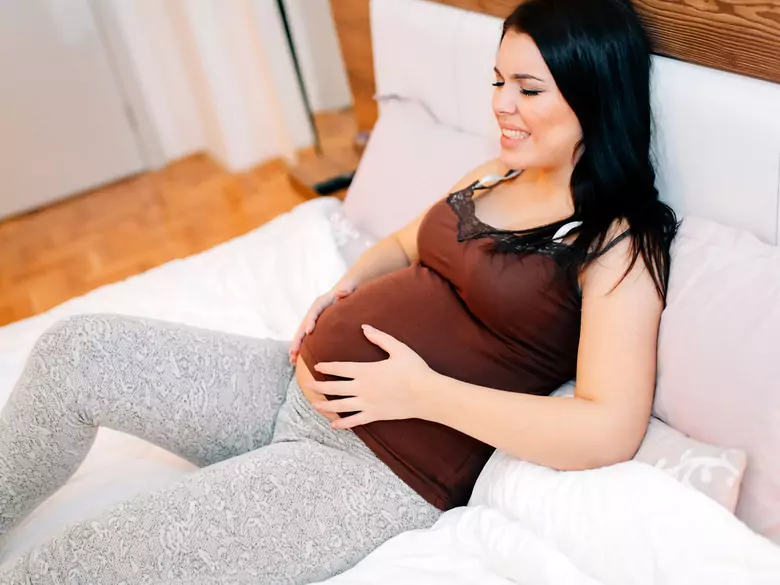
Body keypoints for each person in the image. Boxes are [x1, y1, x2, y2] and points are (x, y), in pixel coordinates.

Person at [0, 0, 677, 582]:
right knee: (76, 350)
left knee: (74, 562)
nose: (501, 104)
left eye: (529, 89)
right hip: (291, 388)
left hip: (370, 468)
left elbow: (607, 427)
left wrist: (419, 393)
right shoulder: (500, 171)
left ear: (595, 96)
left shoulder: (617, 239)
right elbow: (410, 243)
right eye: (499, 80)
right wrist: (345, 287)